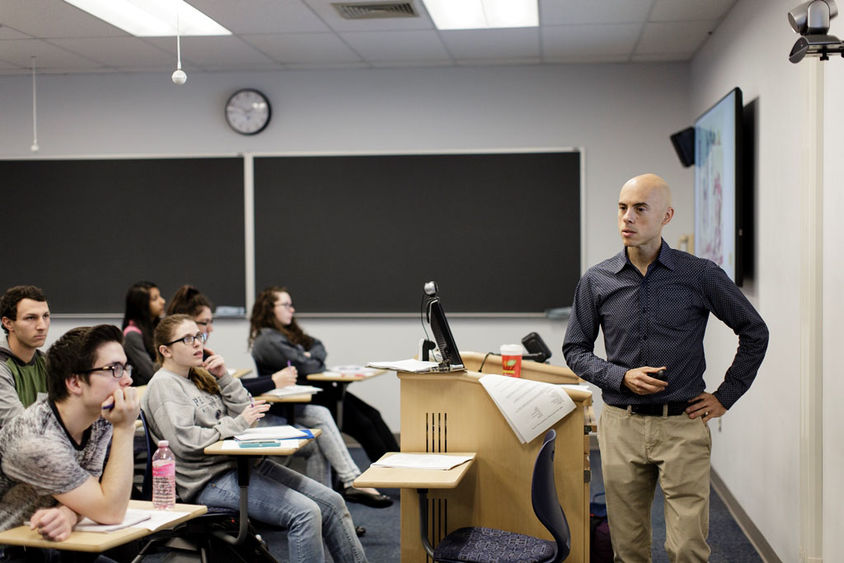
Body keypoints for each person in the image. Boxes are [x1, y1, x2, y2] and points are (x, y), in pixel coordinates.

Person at [563, 173, 769, 561]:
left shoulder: (699, 275)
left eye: (640, 209)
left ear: (666, 215)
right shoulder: (597, 280)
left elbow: (754, 331)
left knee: (688, 548)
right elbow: (575, 349)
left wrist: (725, 396)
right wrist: (620, 376)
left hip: (682, 426)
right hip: (621, 426)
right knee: (628, 548)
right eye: (623, 208)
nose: (628, 218)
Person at [142, 314, 367, 563]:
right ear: (166, 350)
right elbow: (186, 442)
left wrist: (224, 377)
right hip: (209, 480)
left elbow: (249, 409)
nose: (197, 343)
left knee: (333, 503)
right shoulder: (164, 385)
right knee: (305, 513)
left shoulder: (197, 376)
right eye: (187, 339)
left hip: (241, 466)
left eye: (198, 336)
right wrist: (237, 424)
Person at [166, 285, 391, 508]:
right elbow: (307, 365)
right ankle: (342, 492)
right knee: (326, 418)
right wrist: (273, 380)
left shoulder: (210, 354)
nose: (209, 330)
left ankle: (331, 508)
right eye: (204, 324)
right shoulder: (263, 341)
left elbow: (317, 351)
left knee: (351, 421)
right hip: (235, 427)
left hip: (243, 416)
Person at [0, 325, 139, 558]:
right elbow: (110, 511)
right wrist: (124, 428)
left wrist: (68, 514)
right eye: (114, 369)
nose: (127, 379)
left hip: (48, 541)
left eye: (125, 368)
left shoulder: (99, 418)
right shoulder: (36, 441)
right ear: (74, 383)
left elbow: (93, 487)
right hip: (11, 548)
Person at [249, 287, 399, 464]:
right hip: (299, 400)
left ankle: (399, 464)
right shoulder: (267, 340)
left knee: (372, 414)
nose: (292, 309)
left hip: (319, 393)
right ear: (269, 308)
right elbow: (309, 366)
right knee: (363, 423)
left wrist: (310, 356)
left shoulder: (287, 333)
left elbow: (317, 346)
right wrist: (310, 358)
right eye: (286, 305)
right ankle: (390, 469)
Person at [0, 285, 52, 428]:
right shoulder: (2, 366)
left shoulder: (47, 363)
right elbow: (21, 427)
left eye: (45, 316)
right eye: (31, 318)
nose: (42, 326)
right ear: (8, 323)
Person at [120, 281, 166, 386]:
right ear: (141, 305)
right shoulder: (132, 334)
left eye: (160, 296)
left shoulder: (157, 327)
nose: (162, 301)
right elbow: (149, 372)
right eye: (155, 299)